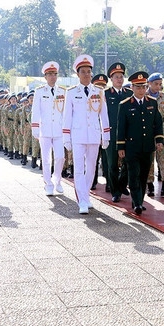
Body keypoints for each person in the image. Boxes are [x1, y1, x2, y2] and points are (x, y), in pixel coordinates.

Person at [63, 54, 110, 214]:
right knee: (78, 168)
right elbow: (67, 116)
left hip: (94, 135)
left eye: (89, 71)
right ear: (77, 74)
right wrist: (66, 137)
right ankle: (81, 200)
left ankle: (86, 194)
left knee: (91, 168)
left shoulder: (99, 91)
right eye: (83, 72)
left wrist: (106, 135)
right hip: (77, 135)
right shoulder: (71, 92)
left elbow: (104, 115)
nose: (87, 74)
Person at [117, 71, 164, 215]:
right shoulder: (125, 105)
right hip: (132, 147)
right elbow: (121, 127)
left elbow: (158, 123)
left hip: (147, 146)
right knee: (133, 174)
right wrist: (120, 146)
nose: (141, 90)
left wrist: (159, 140)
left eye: (143, 87)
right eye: (138, 87)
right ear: (132, 87)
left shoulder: (152, 103)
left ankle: (139, 200)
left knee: (144, 175)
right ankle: (137, 202)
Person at [31, 61, 66, 196]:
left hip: (58, 130)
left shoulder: (63, 91)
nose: (52, 76)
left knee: (60, 157)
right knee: (45, 159)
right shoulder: (40, 91)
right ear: (45, 77)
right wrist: (35, 128)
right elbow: (36, 111)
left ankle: (57, 179)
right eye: (49, 74)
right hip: (44, 130)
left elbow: (65, 112)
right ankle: (48, 183)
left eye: (54, 74)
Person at [104, 62, 132, 202]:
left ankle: (122, 184)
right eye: (116, 77)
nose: (119, 79)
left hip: (127, 135)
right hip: (111, 134)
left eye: (121, 76)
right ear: (111, 79)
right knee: (112, 164)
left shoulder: (130, 94)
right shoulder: (106, 94)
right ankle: (115, 192)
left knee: (128, 162)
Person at [91, 73, 109, 190]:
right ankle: (92, 181)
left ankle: (109, 182)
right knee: (93, 159)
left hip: (106, 132)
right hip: (94, 132)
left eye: (103, 86)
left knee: (107, 159)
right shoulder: (90, 96)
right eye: (98, 85)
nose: (101, 88)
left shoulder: (108, 97)